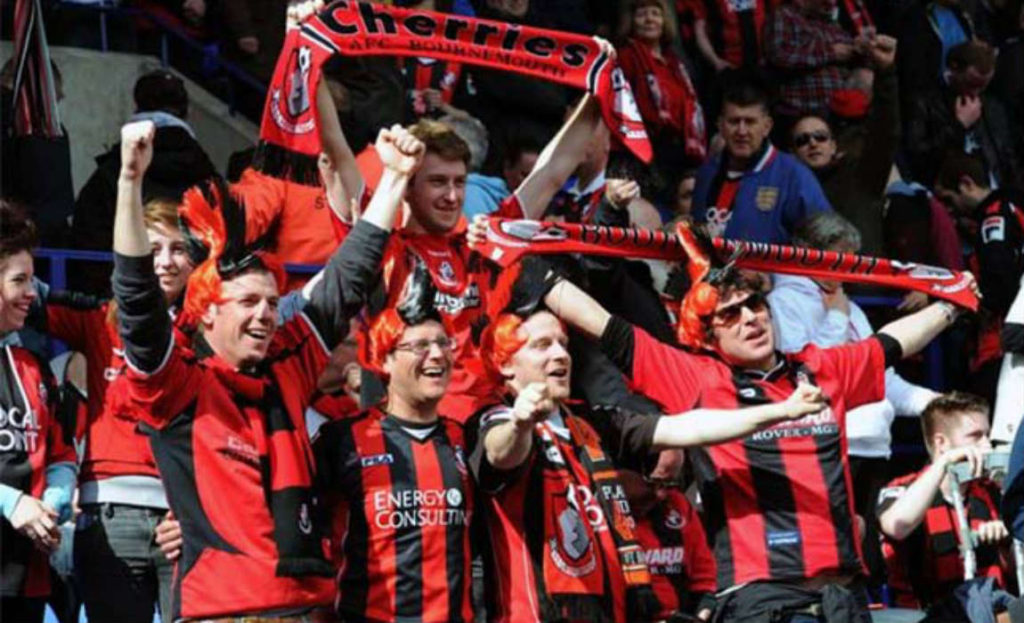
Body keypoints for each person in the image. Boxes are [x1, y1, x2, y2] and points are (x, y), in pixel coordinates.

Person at [496, 234, 977, 620]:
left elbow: (891, 344)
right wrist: (529, 267)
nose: (750, 318)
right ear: (708, 334)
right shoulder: (697, 376)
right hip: (759, 601)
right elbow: (606, 327)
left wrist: (953, 302)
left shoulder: (821, 368)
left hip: (842, 596)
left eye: (755, 306)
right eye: (731, 314)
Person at [111, 119, 412, 621]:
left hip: (311, 607)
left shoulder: (288, 364)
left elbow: (348, 276)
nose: (265, 314)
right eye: (248, 301)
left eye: (272, 302)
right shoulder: (179, 382)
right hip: (226, 611)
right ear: (208, 310)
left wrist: (398, 178)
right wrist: (128, 181)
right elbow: (137, 300)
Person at [472, 303, 831, 623]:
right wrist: (520, 422)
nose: (561, 354)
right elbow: (499, 454)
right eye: (542, 345)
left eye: (563, 343)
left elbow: (689, 427)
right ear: (505, 364)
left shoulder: (590, 423)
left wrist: (784, 410)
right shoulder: (494, 419)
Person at [332, 75, 611, 421]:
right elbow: (334, 154)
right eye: (437, 182)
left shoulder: (484, 245)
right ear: (407, 186)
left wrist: (598, 89)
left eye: (459, 182)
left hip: (486, 424)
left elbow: (553, 171)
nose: (452, 196)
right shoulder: (385, 250)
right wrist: (307, 49)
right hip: (411, 428)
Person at [25, 198, 192, 622]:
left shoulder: (212, 331)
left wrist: (200, 508)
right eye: (153, 249)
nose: (167, 262)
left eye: (179, 249)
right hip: (109, 519)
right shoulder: (98, 318)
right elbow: (21, 288)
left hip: (187, 521)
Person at [768, 211, 939, 587]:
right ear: (807, 252)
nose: (844, 268)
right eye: (837, 256)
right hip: (830, 446)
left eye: (849, 258)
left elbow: (880, 377)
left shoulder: (852, 309)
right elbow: (810, 373)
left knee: (868, 559)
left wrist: (936, 403)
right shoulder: (784, 303)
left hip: (875, 448)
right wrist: (834, 317)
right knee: (837, 556)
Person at [314, 261, 476, 623]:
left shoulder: (466, 439)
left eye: (442, 343)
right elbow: (286, 508)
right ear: (384, 359)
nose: (436, 355)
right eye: (419, 346)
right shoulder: (342, 440)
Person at [70, 69, 215, 295]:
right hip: (195, 301)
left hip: (120, 300)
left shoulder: (108, 174)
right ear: (186, 110)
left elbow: (88, 238)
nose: (165, 263)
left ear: (137, 105)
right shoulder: (208, 176)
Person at [0, 202, 77, 623]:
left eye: (33, 278)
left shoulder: (34, 366)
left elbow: (62, 451)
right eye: (19, 280)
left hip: (26, 578)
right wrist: (12, 503)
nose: (33, 292)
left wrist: (55, 500)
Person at [877, 392, 1014, 608]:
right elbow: (897, 526)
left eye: (987, 435)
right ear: (941, 442)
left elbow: (1016, 571)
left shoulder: (993, 491)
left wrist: (1006, 542)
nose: (987, 445)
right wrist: (944, 463)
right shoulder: (902, 489)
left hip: (990, 611)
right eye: (975, 436)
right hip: (923, 614)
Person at [789, 34, 899, 256]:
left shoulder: (862, 175)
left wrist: (886, 72)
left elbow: (886, 130)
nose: (812, 143)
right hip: (811, 287)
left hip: (864, 286)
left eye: (820, 137)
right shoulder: (788, 190)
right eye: (803, 139)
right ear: (793, 153)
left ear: (833, 145)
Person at [692, 74, 832, 244]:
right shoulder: (706, 173)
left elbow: (828, 243)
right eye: (734, 121)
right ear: (720, 125)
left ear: (767, 127)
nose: (742, 131)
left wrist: (775, 271)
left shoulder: (794, 176)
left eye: (750, 122)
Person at [933, 152, 1024, 401]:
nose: (948, 210)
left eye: (948, 200)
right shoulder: (1015, 206)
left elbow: (999, 282)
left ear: (966, 184)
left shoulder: (994, 217)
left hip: (1003, 343)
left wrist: (974, 306)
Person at [904, 40, 1023, 191]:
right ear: (953, 69)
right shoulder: (924, 102)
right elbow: (918, 159)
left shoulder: (992, 105)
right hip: (949, 191)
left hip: (994, 190)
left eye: (982, 86)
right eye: (971, 84)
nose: (976, 93)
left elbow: (1008, 159)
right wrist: (958, 126)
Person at [619, 450, 718, 621]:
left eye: (670, 484)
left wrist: (701, 614)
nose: (661, 494)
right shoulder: (599, 513)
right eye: (653, 483)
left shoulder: (678, 505)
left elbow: (704, 576)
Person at [617, 0, 706, 172]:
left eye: (655, 13)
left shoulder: (676, 64)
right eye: (642, 14)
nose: (649, 19)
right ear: (631, 21)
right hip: (646, 149)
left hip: (681, 150)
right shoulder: (626, 57)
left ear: (665, 21)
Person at [762, 0, 862, 119]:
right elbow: (779, 55)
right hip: (800, 112)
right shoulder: (784, 15)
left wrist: (860, 49)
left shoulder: (833, 24)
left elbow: (850, 55)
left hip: (840, 111)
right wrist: (830, 52)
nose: (832, 2)